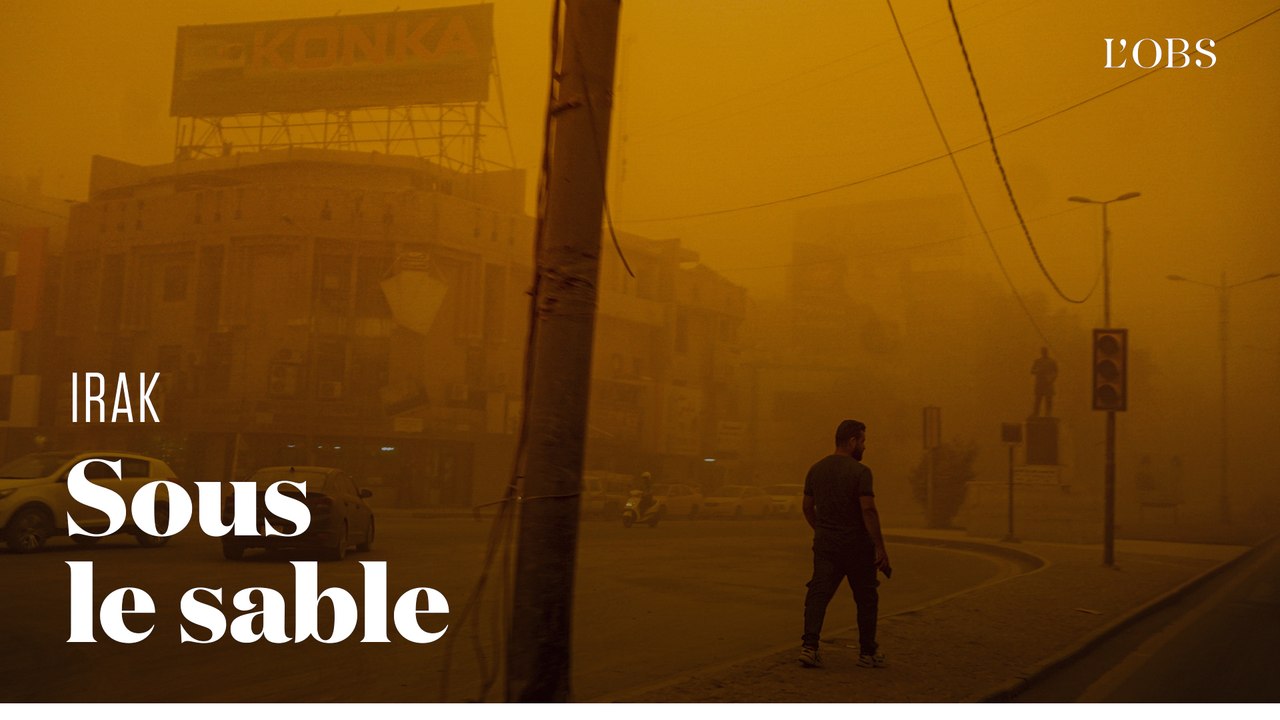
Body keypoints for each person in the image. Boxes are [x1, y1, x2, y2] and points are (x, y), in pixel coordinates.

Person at [799, 419, 891, 669]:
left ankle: (809, 647)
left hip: (826, 545)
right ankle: (867, 653)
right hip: (857, 547)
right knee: (866, 598)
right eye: (862, 441)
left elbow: (807, 507)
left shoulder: (816, 469)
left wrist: (821, 529)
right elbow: (868, 510)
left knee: (818, 594)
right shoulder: (861, 472)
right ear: (852, 442)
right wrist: (880, 547)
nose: (864, 446)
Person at [1031, 347, 1058, 417]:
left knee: (1048, 399)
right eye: (1043, 351)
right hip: (1040, 383)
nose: (1044, 353)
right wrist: (1038, 371)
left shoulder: (1052, 362)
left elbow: (1056, 372)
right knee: (1038, 399)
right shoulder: (1038, 361)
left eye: (1045, 351)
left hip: (1048, 383)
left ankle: (1048, 414)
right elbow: (1032, 371)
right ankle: (1036, 413)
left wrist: (1051, 379)